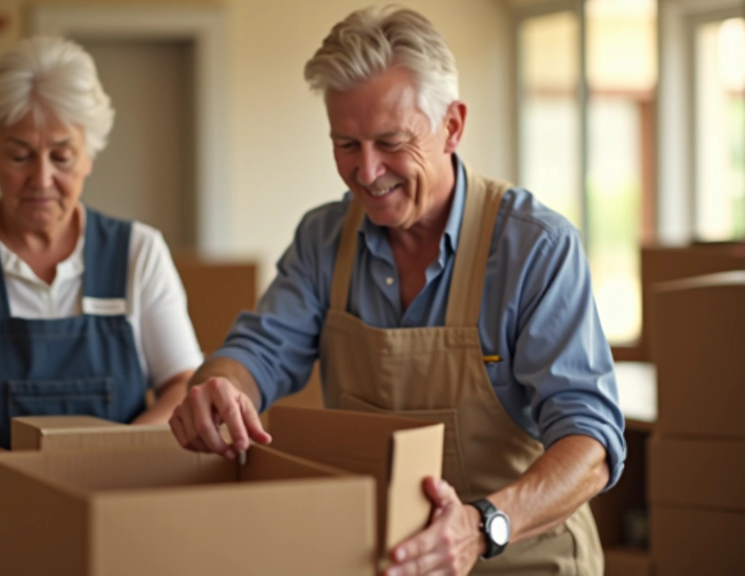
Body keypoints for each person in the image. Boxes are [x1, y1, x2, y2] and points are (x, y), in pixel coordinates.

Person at [170, 6, 625, 575]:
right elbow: (259, 353)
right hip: (390, 561)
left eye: (390, 142)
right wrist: (221, 385)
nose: (366, 171)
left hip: (525, 555)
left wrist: (483, 525)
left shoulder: (535, 248)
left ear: (453, 126)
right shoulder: (323, 238)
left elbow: (592, 445)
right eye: (345, 144)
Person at [0, 37, 204, 576]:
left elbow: (183, 385)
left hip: (113, 535)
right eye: (20, 154)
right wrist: (34, 473)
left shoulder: (139, 252)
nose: (42, 179)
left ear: (89, 155)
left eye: (62, 156)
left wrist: (109, 463)